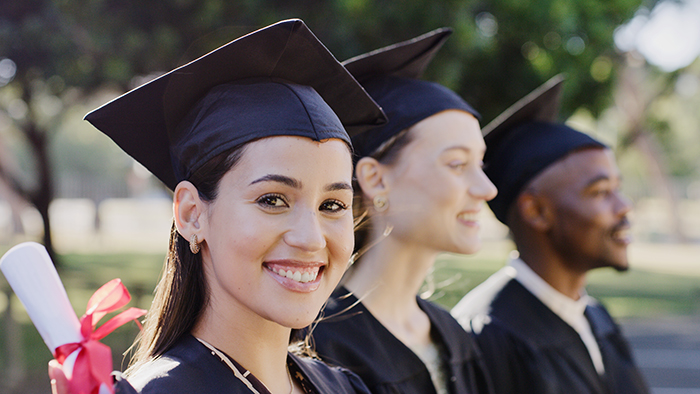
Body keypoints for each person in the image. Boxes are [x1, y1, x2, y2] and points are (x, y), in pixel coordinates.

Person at [48, 19, 387, 394]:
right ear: (192, 214)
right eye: (272, 200)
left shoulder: (344, 387)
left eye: (332, 204)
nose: (310, 238)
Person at [308, 28, 497, 394]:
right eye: (457, 164)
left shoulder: (452, 335)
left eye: (482, 164)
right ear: (376, 180)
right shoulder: (320, 345)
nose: (487, 189)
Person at [451, 75, 650, 394]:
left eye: (619, 188)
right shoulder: (488, 334)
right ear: (537, 211)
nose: (624, 207)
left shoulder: (596, 316)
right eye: (600, 191)